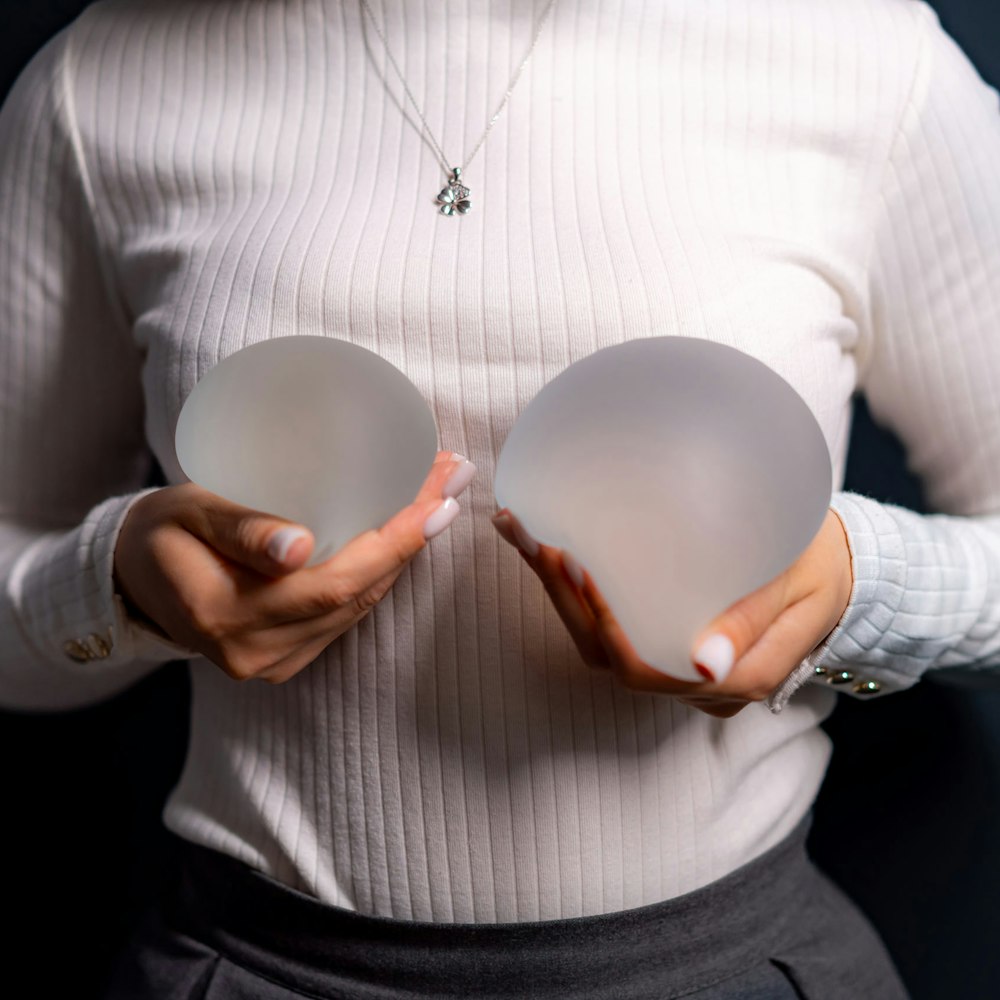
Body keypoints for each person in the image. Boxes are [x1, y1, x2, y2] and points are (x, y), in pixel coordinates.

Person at [1, 0, 998, 996]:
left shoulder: (861, 55)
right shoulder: (101, 89)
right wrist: (120, 584)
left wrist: (855, 597)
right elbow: (21, 656)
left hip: (736, 966)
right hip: (251, 968)